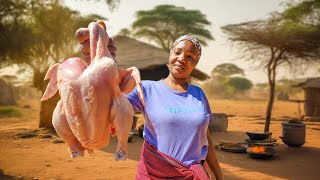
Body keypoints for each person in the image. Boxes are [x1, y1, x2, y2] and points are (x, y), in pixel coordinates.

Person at [76, 21, 224, 180]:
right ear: (170, 55)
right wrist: (99, 59)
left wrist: (219, 176)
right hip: (154, 174)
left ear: (194, 64)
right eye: (178, 52)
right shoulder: (146, 89)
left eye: (190, 57)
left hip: (193, 175)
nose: (182, 59)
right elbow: (109, 106)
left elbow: (205, 138)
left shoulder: (199, 94)